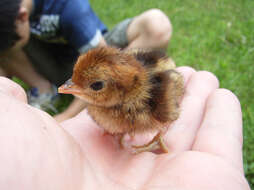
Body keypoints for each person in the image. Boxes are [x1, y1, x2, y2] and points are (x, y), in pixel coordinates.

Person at [0, 67, 250, 189]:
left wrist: (157, 137)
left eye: (93, 86)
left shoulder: (137, 102)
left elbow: (164, 110)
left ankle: (158, 137)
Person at [0, 0, 172, 122]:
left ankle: (116, 89)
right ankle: (44, 91)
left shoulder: (70, 8)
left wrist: (66, 117)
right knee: (7, 46)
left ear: (22, 16)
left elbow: (99, 67)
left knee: (156, 24)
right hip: (56, 65)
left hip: (89, 61)